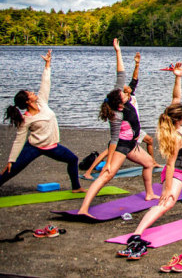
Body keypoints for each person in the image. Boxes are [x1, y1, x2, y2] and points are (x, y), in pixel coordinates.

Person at [116, 63, 182, 267]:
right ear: (180, 118)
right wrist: (168, 189)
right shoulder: (176, 137)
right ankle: (136, 234)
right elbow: (169, 166)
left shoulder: (174, 120)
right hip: (177, 174)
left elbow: (176, 98)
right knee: (166, 204)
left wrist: (177, 77)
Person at [76, 39, 157, 217]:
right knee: (107, 175)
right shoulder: (116, 116)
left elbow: (120, 73)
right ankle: (83, 208)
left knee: (149, 163)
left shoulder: (117, 96)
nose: (125, 91)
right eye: (123, 93)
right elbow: (113, 140)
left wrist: (118, 51)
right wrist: (109, 163)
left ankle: (149, 193)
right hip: (122, 146)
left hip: (133, 144)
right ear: (119, 103)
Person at [0, 50, 85, 193]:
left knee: (73, 159)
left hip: (52, 146)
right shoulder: (26, 119)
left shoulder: (42, 102)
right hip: (33, 147)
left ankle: (76, 187)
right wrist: (11, 159)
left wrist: (47, 65)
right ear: (27, 101)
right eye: (30, 94)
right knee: (13, 168)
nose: (33, 93)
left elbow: (45, 83)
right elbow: (19, 140)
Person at [82, 132, 159, 180]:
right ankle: (88, 172)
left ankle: (153, 162)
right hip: (128, 131)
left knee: (149, 140)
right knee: (108, 151)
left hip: (135, 129)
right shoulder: (125, 106)